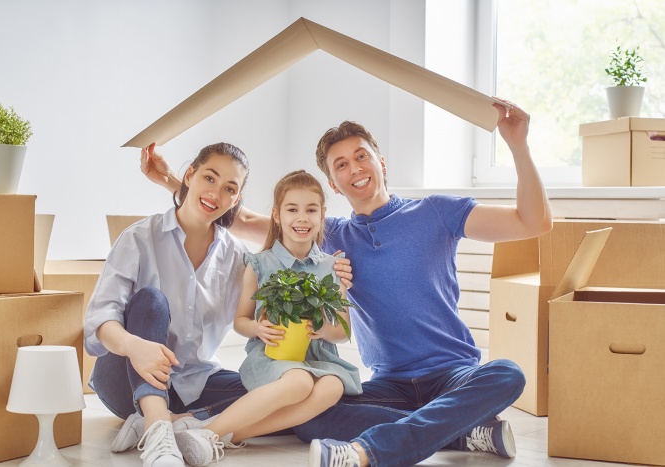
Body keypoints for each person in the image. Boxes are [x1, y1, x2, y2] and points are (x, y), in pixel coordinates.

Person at [142, 99, 553, 466]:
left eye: (361, 157)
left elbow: (533, 222)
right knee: (311, 410)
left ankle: (368, 452)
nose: (354, 168)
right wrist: (170, 182)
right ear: (333, 185)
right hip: (388, 384)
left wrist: (518, 145)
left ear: (381, 162)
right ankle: (462, 430)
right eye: (341, 165)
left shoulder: (437, 212)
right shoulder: (328, 233)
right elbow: (244, 219)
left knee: (506, 374)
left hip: (452, 373)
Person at [85, 143, 354, 467]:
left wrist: (332, 275)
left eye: (229, 188)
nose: (216, 193)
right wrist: (133, 346)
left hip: (194, 383)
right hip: (126, 377)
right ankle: (159, 434)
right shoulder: (140, 237)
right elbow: (100, 318)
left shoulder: (236, 258)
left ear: (236, 199)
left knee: (272, 394)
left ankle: (187, 425)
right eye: (209, 178)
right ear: (189, 175)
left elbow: (276, 259)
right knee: (151, 300)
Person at [173, 170, 362, 466]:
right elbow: (240, 321)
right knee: (300, 382)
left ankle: (221, 433)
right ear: (276, 215)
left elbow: (343, 331)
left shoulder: (333, 266)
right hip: (272, 358)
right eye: (292, 209)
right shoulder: (260, 264)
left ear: (322, 215)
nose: (302, 218)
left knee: (333, 386)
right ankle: (211, 434)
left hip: (317, 358)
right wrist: (258, 328)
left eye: (311, 210)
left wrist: (322, 328)